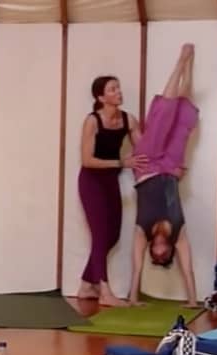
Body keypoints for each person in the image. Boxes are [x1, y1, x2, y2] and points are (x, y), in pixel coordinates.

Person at [127, 44, 198, 308]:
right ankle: (187, 64)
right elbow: (188, 270)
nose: (157, 251)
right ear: (168, 252)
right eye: (162, 255)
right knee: (184, 116)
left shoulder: (141, 233)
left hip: (146, 166)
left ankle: (180, 60)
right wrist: (192, 300)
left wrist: (132, 298)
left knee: (164, 114)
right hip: (170, 168)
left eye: (154, 255)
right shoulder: (178, 234)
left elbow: (135, 270)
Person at [77, 75, 148, 307]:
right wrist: (120, 164)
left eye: (118, 88)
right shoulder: (93, 121)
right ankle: (104, 292)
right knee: (99, 235)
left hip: (110, 181)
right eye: (112, 89)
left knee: (112, 235)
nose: (119, 92)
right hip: (91, 181)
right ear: (101, 97)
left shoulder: (129, 120)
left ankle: (87, 285)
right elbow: (87, 160)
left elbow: (145, 148)